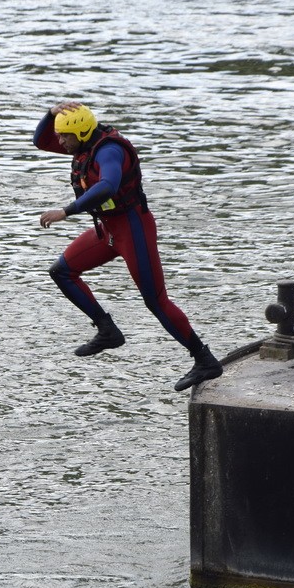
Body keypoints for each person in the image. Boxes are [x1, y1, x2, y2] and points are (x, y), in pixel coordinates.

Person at [34, 101, 223, 392]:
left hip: (133, 229)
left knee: (155, 301)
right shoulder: (81, 143)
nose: (59, 142)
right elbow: (40, 141)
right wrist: (51, 112)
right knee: (62, 271)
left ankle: (204, 359)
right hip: (108, 230)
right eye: (60, 136)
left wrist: (66, 211)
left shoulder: (110, 151)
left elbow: (108, 185)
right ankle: (107, 329)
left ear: (82, 133)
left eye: (65, 137)